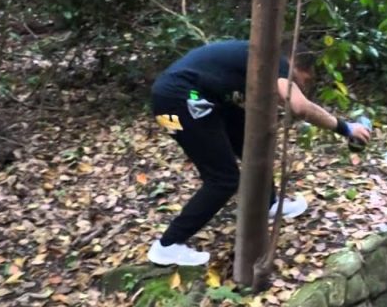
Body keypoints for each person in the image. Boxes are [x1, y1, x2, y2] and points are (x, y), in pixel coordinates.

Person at [147, 39, 371, 267]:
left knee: (249, 137)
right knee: (223, 180)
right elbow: (299, 106)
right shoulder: (278, 61)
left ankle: (269, 203)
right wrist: (346, 128)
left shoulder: (261, 57)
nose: (303, 86)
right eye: (305, 80)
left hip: (187, 99)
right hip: (181, 100)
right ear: (298, 66)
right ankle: (168, 245)